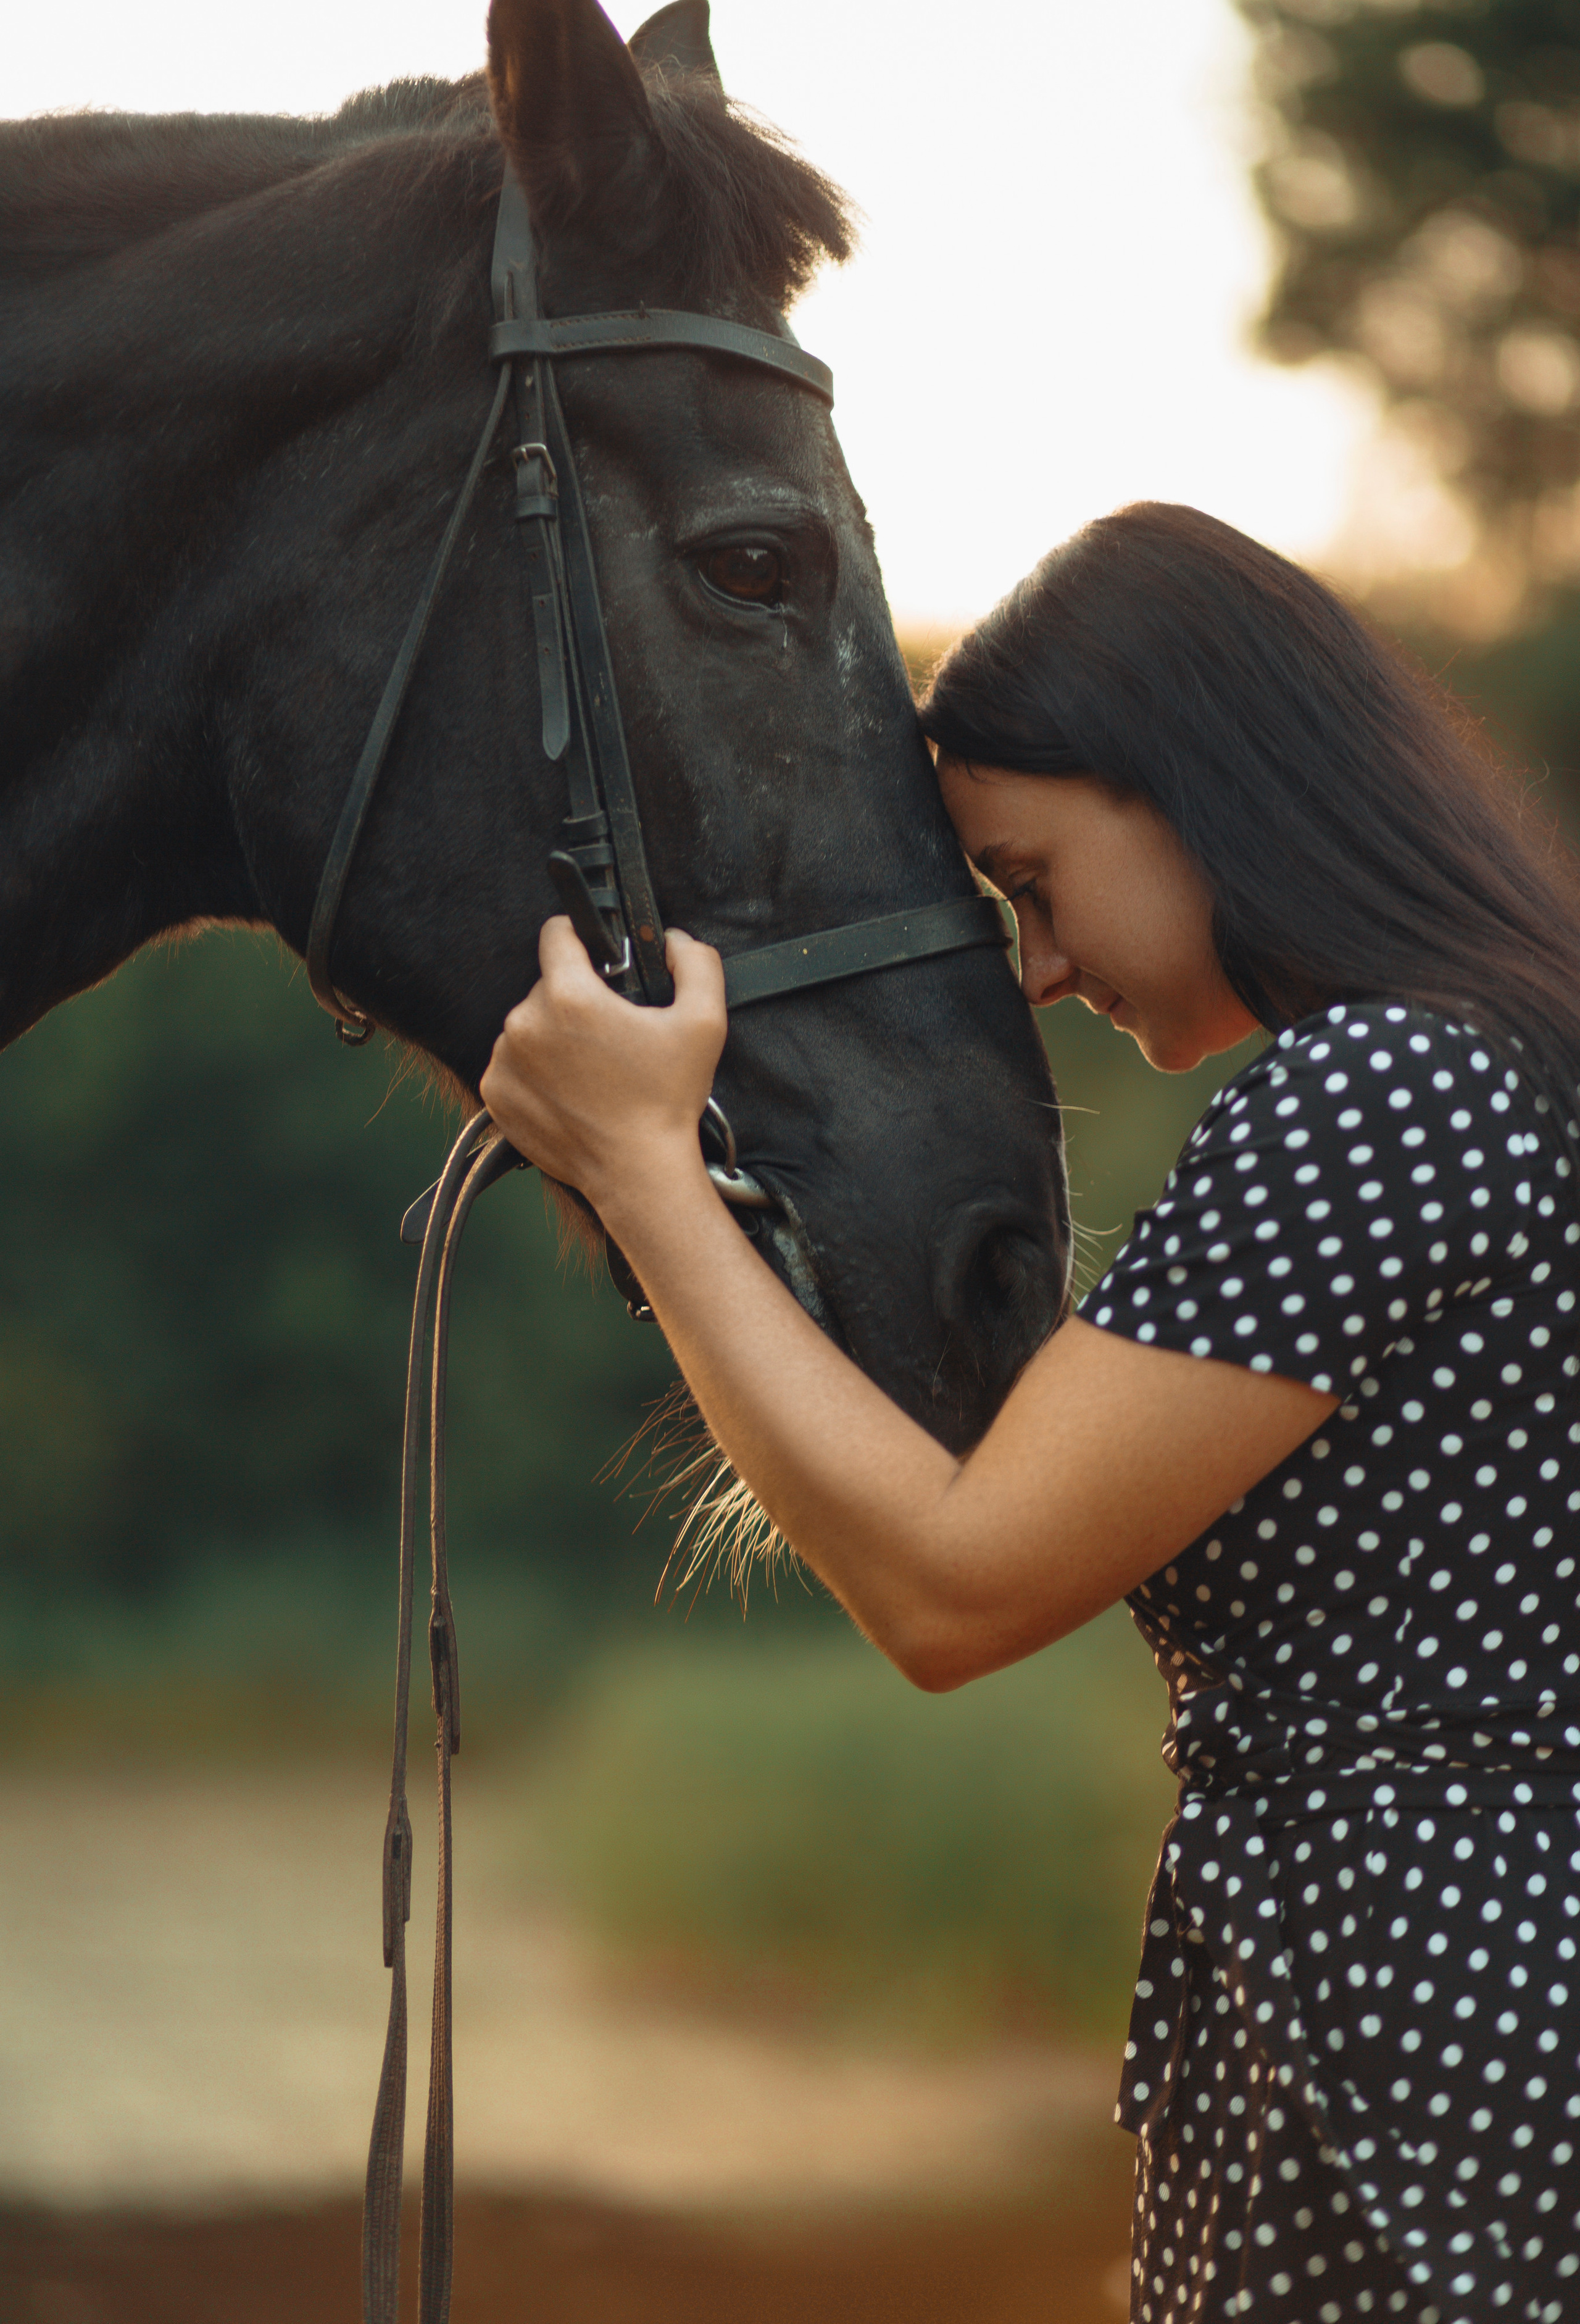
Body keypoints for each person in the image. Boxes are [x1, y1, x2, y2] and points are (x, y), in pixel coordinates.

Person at [480, 502, 1580, 2324]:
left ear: (1193, 784)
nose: (1045, 970)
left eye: (1033, 883)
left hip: (1433, 2032)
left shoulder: (1375, 1091)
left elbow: (955, 1584)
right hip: (1452, 2006)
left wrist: (644, 1172)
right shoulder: (1497, 1064)